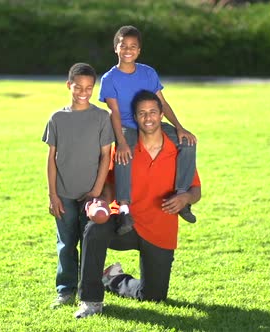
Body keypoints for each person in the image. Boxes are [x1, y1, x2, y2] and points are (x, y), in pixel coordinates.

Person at [74, 90, 202, 318]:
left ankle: (112, 277)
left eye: (153, 112)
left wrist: (185, 198)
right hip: (125, 222)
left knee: (154, 296)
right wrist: (102, 202)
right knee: (94, 230)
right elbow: (110, 183)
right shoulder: (124, 148)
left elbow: (196, 189)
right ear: (135, 117)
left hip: (160, 229)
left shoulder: (179, 150)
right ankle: (90, 301)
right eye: (142, 113)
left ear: (162, 114)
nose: (148, 117)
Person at [99, 25, 198, 236]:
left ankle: (182, 197)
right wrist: (122, 142)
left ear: (139, 50)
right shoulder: (109, 79)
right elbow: (114, 113)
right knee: (124, 156)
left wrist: (180, 128)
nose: (128, 50)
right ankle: (124, 208)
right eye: (123, 45)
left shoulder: (148, 73)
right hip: (127, 125)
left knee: (188, 141)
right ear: (115, 48)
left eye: (133, 46)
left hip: (152, 122)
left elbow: (162, 103)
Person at [42, 63, 115, 309]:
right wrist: (53, 195)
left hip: (90, 196)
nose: (84, 92)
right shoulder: (57, 118)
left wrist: (96, 191)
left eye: (89, 88)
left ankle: (89, 289)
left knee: (89, 244)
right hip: (63, 193)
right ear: (68, 85)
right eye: (78, 87)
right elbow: (51, 159)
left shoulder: (102, 117)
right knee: (65, 243)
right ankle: (65, 290)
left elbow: (106, 156)